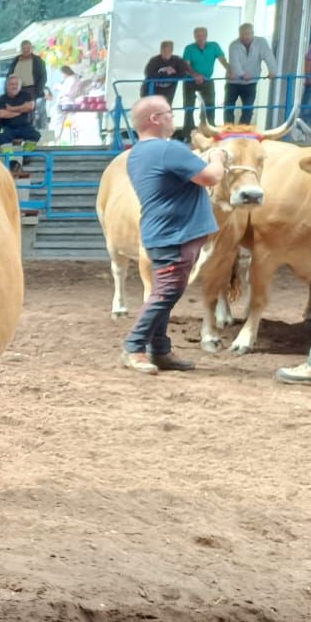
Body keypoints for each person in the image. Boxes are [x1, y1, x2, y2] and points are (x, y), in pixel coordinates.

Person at [119, 95, 227, 375]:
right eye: (169, 113)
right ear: (154, 119)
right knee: (166, 294)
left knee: (163, 293)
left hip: (162, 232)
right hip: (175, 234)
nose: (173, 117)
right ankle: (134, 347)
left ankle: (160, 349)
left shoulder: (138, 153)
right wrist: (218, 156)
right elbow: (211, 177)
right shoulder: (168, 150)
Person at [225, 23, 275, 127]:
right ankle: (228, 132)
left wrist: (272, 70)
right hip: (233, 82)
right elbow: (234, 63)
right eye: (242, 34)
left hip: (251, 82)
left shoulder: (261, 42)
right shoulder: (233, 45)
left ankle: (242, 132)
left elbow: (268, 57)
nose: (245, 37)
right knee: (229, 108)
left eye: (248, 34)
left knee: (248, 108)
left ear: (253, 33)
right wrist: (242, 74)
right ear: (239, 34)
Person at [181, 27, 226, 133]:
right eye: (197, 36)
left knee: (210, 106)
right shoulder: (189, 48)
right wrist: (195, 75)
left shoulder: (214, 46)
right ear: (194, 37)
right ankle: (188, 133)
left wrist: (230, 70)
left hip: (207, 80)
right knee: (189, 108)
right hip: (190, 80)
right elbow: (185, 65)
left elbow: (223, 60)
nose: (199, 38)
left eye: (201, 35)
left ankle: (210, 132)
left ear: (206, 36)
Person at [0, 74, 40, 173]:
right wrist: (21, 110)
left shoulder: (26, 95)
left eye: (16, 84)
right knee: (2, 136)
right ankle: (11, 161)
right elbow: (1, 114)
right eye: (11, 84)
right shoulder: (0, 99)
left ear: (20, 85)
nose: (14, 86)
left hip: (24, 126)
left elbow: (30, 107)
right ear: (6, 86)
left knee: (35, 135)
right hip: (7, 127)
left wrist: (12, 109)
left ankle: (26, 155)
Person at [142, 41, 192, 133]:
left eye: (168, 50)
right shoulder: (154, 61)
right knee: (151, 113)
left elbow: (182, 74)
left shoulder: (177, 60)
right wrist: (165, 74)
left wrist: (170, 76)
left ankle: (165, 135)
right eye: (163, 50)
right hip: (152, 92)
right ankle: (150, 134)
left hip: (168, 93)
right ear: (160, 50)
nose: (166, 52)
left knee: (166, 113)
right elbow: (149, 74)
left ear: (172, 50)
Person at [10, 40, 47, 128]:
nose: (25, 50)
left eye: (28, 48)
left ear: (31, 49)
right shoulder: (16, 59)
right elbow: (10, 73)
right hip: (17, 89)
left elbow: (43, 77)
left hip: (30, 89)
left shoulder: (37, 60)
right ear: (21, 49)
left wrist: (37, 91)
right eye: (23, 48)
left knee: (28, 113)